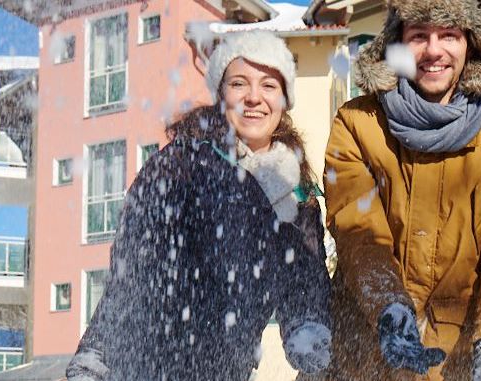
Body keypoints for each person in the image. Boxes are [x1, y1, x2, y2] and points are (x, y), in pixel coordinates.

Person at [66, 30, 331, 381]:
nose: (254, 98)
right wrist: (98, 352)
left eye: (269, 86)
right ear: (221, 95)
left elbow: (304, 274)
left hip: (227, 370)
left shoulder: (294, 191)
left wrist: (307, 327)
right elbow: (134, 265)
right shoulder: (182, 164)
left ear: (284, 100)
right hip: (151, 364)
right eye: (239, 84)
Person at [322, 0, 481, 380]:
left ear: (470, 43)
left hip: (452, 362)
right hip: (358, 355)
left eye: (449, 35)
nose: (434, 50)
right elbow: (357, 233)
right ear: (397, 42)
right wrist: (390, 308)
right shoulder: (358, 123)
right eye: (419, 35)